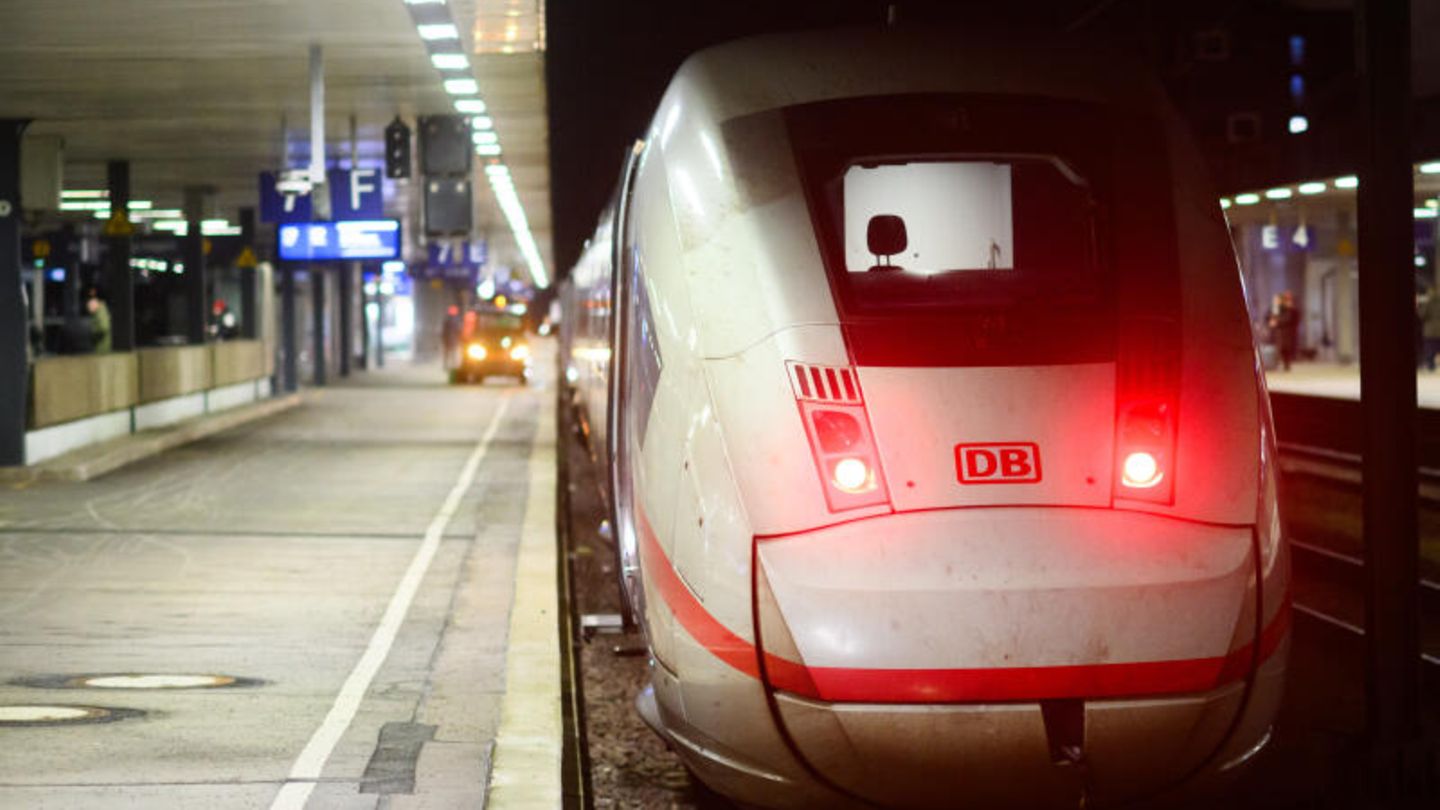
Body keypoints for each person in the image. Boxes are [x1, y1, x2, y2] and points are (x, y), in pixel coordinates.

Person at [1266, 290, 1299, 372]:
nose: (1276, 301)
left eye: (1278, 300)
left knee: (1285, 349)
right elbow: (1269, 317)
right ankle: (1277, 364)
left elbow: (1288, 318)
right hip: (1277, 332)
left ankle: (1286, 364)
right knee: (1278, 349)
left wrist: (1276, 322)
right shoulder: (1274, 308)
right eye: (1275, 300)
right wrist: (1271, 321)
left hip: (1286, 332)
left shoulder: (1288, 308)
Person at [86, 288, 112, 354]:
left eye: (90, 301)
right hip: (99, 348)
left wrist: (92, 332)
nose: (88, 304)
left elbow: (104, 327)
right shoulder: (96, 313)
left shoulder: (100, 312)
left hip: (102, 349)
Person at [1422, 288, 1440, 372]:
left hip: (1430, 331)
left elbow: (1422, 315)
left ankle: (1430, 366)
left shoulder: (1428, 304)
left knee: (1430, 348)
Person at [440, 305, 461, 370]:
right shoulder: (450, 320)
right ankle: (449, 365)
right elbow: (444, 331)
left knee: (451, 354)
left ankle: (450, 365)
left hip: (451, 340)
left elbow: (458, 331)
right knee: (450, 354)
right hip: (450, 340)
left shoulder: (453, 320)